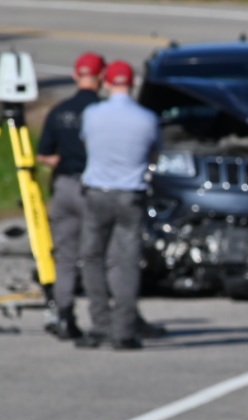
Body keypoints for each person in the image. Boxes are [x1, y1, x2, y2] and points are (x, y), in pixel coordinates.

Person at [75, 60, 160, 351]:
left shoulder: (93, 114)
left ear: (107, 83)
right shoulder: (147, 118)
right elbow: (154, 153)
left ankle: (100, 325)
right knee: (126, 262)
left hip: (98, 192)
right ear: (132, 83)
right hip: (130, 195)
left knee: (93, 258)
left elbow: (88, 144)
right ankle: (124, 330)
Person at [36, 52, 106, 340]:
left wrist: (61, 161)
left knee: (65, 256)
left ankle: (64, 315)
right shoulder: (103, 111)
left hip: (64, 186)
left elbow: (44, 154)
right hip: (93, 188)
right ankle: (102, 319)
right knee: (94, 256)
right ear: (101, 78)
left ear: (77, 75)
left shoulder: (59, 111)